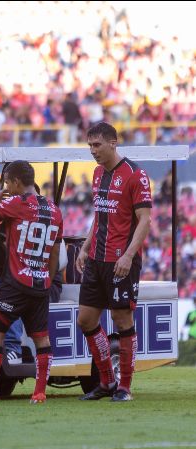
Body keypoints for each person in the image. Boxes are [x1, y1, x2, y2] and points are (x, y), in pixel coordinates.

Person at [0, 161, 63, 405]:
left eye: (8, 182)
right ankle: (39, 393)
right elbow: (54, 253)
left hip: (14, 283)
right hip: (40, 285)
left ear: (17, 182)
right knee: (42, 338)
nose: (7, 187)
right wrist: (47, 280)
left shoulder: (14, 204)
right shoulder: (54, 210)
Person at [75, 122, 152, 402]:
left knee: (122, 320)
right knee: (85, 320)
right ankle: (107, 381)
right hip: (96, 258)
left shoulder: (135, 175)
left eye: (97, 145)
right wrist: (84, 248)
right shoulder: (97, 174)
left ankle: (125, 387)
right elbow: (100, 217)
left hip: (121, 260)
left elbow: (145, 220)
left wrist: (129, 255)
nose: (93, 151)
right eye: (90, 146)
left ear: (113, 143)